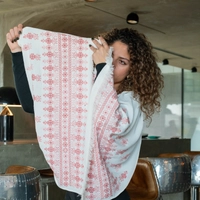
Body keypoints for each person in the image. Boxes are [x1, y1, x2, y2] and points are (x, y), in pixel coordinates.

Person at [6, 24, 164, 200]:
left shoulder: (130, 102)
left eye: (122, 62)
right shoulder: (81, 91)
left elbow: (108, 122)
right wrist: (17, 53)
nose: (112, 63)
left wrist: (103, 65)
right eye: (109, 55)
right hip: (76, 189)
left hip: (109, 193)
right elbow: (32, 105)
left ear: (131, 71)